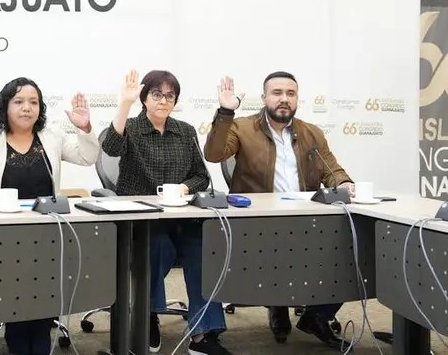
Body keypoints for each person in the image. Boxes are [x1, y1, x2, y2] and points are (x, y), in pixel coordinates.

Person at [202, 71, 353, 350]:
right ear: (264, 97)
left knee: (352, 245)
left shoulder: (312, 133)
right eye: (277, 93)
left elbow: (332, 170)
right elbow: (213, 154)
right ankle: (278, 304)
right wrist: (225, 113)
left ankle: (317, 316)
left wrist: (344, 184)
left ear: (297, 98)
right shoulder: (241, 127)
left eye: (290, 94)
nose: (284, 99)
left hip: (307, 219)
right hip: (258, 222)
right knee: (280, 247)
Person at [0, 77, 99, 355]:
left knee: (45, 286)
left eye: (33, 102)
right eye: (19, 101)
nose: (27, 107)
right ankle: (17, 332)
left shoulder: (52, 137)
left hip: (48, 229)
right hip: (6, 231)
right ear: (5, 106)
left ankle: (41, 332)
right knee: (16, 284)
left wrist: (84, 128)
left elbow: (87, 157)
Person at [102, 70, 231, 355]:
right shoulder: (131, 128)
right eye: (157, 94)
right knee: (157, 245)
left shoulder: (185, 131)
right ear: (145, 98)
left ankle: (203, 333)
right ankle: (145, 314)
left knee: (203, 249)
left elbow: (201, 176)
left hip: (181, 216)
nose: (163, 101)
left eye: (170, 96)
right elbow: (110, 147)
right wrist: (124, 104)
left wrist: (184, 188)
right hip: (142, 221)